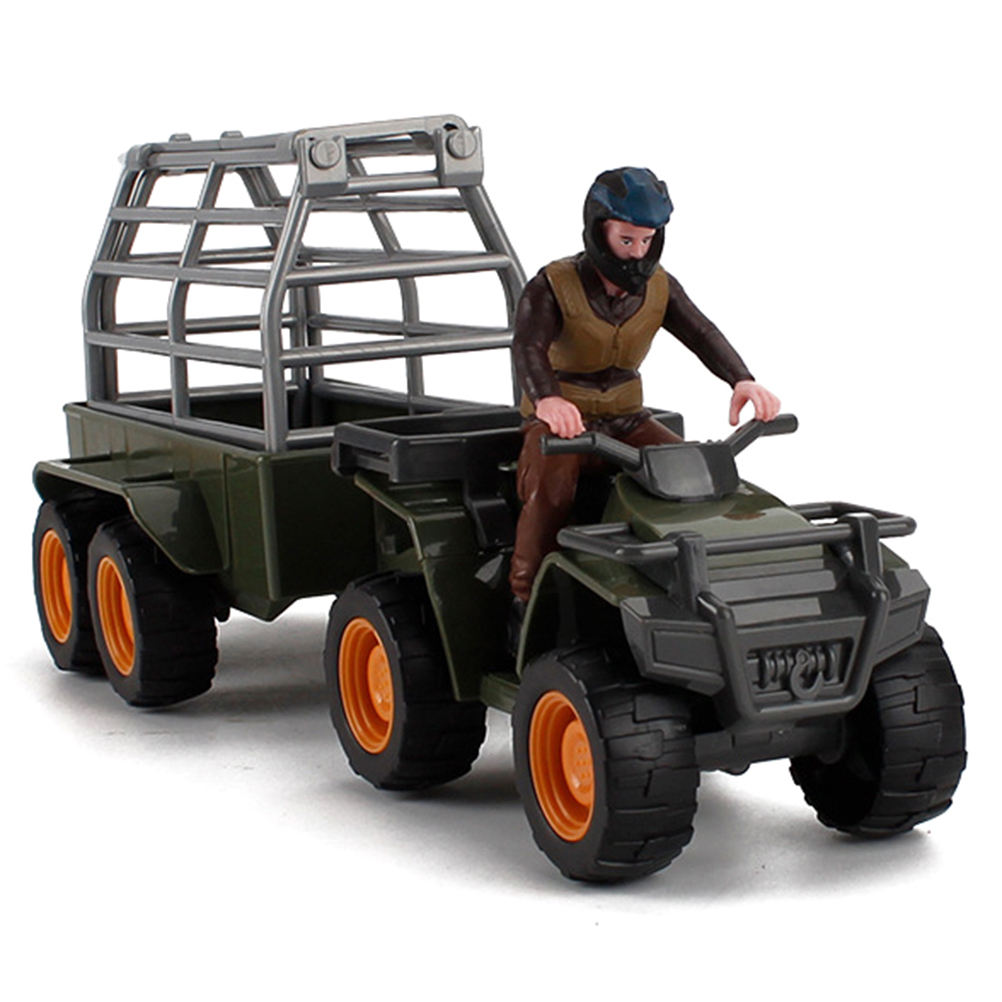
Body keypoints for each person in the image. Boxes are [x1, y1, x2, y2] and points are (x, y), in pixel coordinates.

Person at [509, 166, 780, 607]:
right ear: (600, 231)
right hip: (562, 426)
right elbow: (528, 346)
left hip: (626, 419)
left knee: (691, 475)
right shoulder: (552, 285)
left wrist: (741, 379)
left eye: (646, 240)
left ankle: (702, 579)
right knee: (550, 491)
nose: (637, 253)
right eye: (626, 240)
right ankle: (524, 596)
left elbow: (701, 332)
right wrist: (548, 399)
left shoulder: (659, 287)